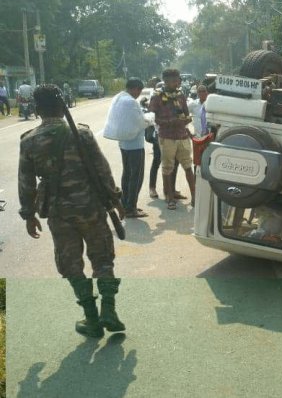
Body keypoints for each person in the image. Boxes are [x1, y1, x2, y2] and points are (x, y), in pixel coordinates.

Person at [18, 84, 127, 338]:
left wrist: (29, 215)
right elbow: (102, 170)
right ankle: (109, 310)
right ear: (62, 105)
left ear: (37, 109)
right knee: (102, 259)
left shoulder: (30, 141)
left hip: (59, 213)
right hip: (91, 208)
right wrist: (116, 200)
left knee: (71, 264)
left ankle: (91, 317)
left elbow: (26, 183)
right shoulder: (82, 134)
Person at [148, 69, 195, 210]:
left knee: (188, 166)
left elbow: (186, 113)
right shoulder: (157, 96)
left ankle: (194, 196)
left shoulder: (180, 94)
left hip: (182, 135)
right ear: (166, 81)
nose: (177, 83)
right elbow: (152, 118)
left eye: (178, 80)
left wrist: (186, 119)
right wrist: (170, 122)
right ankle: (169, 198)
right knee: (167, 168)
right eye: (174, 80)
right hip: (166, 136)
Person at [106, 78, 149, 218]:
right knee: (136, 177)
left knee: (127, 174)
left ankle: (125, 203)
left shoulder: (119, 97)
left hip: (124, 143)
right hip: (135, 144)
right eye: (139, 91)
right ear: (136, 88)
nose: (139, 94)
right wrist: (150, 120)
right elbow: (140, 122)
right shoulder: (130, 102)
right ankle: (131, 208)